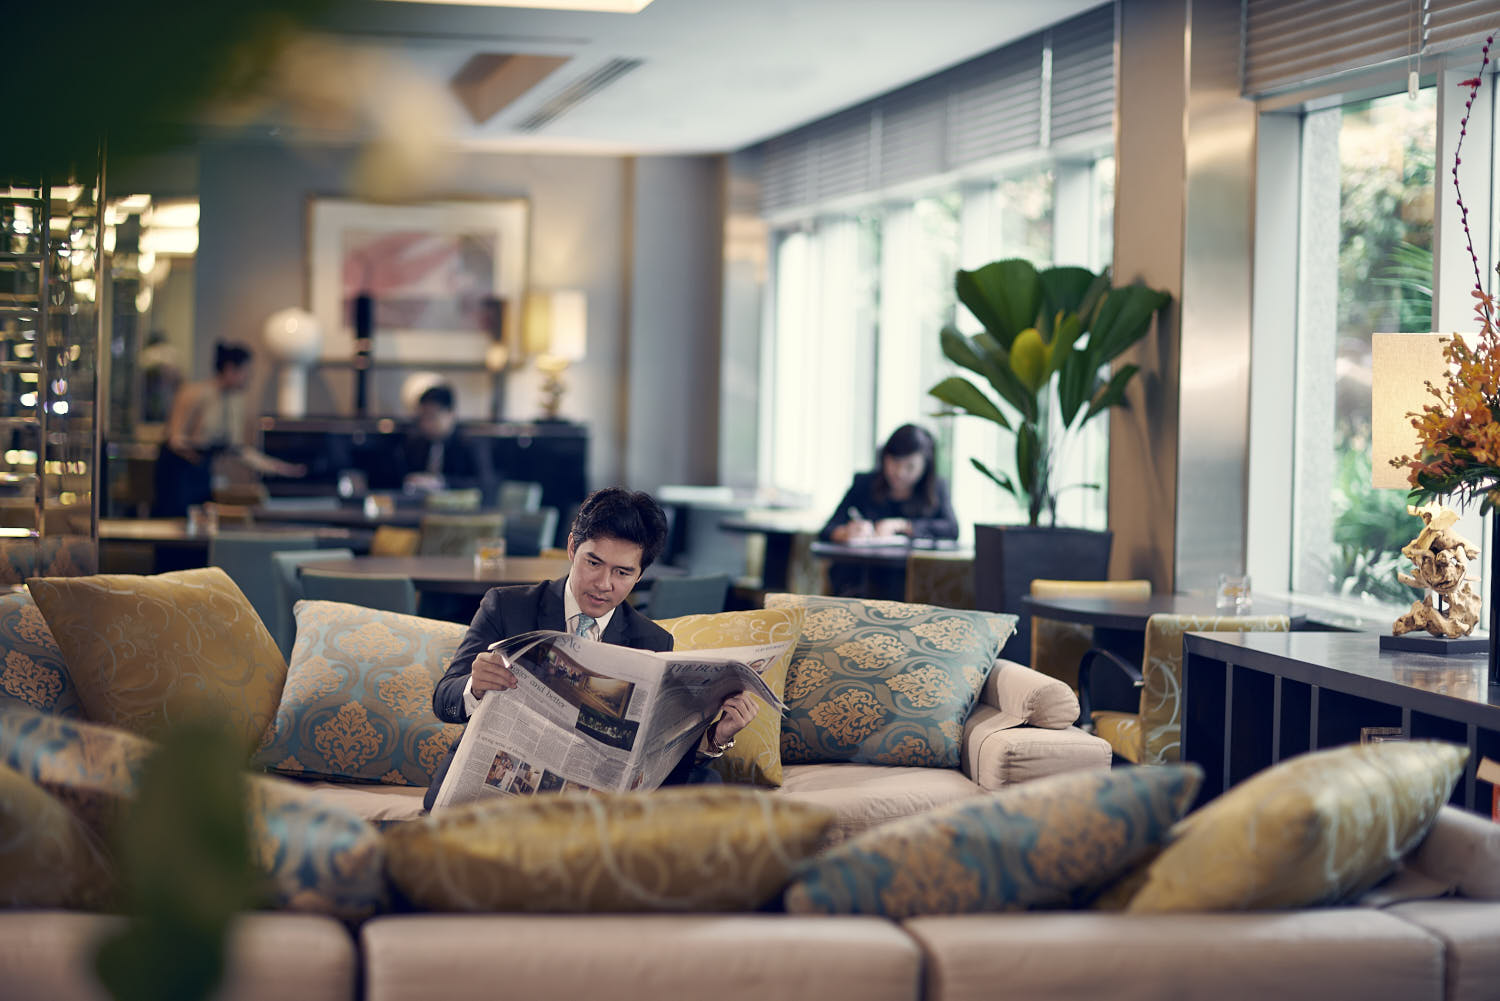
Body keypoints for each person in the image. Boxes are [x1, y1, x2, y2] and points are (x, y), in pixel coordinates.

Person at [423, 487, 758, 810]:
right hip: (505, 782)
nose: (603, 584)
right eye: (593, 563)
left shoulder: (653, 641)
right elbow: (444, 700)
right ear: (572, 547)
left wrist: (717, 737)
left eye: (622, 572)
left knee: (708, 785)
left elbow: (659, 759)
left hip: (593, 794)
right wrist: (474, 686)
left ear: (640, 575)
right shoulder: (507, 606)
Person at [152, 341, 305, 517]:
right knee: (175, 520)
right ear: (230, 369)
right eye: (246, 372)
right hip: (178, 470)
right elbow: (175, 438)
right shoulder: (194, 394)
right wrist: (198, 457)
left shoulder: (233, 401)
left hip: (202, 468)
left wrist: (279, 468)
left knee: (201, 520)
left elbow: (236, 449)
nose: (249, 378)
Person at [819, 423, 959, 598]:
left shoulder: (936, 488)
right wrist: (846, 532)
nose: (900, 473)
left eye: (910, 467)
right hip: (861, 578)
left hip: (912, 581)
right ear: (884, 458)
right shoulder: (864, 484)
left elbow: (951, 529)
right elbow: (827, 530)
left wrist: (904, 525)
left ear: (925, 465)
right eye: (894, 462)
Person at [396, 384, 497, 505]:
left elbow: (485, 484)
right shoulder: (416, 443)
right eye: (422, 418)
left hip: (460, 510)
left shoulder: (470, 444)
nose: (426, 424)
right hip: (420, 508)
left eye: (432, 417)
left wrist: (442, 482)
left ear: (450, 414)